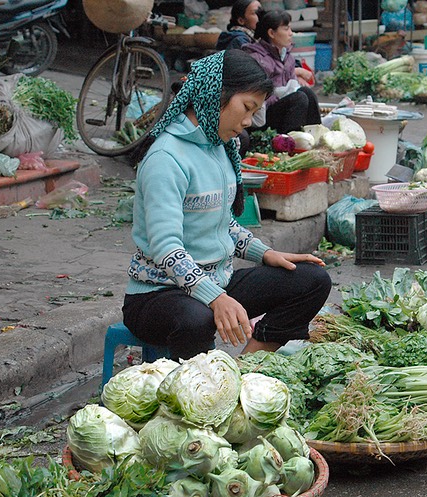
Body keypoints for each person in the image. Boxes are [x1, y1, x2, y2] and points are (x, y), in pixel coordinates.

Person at [123, 49, 332, 362]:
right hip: (158, 294)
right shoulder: (165, 159)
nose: (248, 122)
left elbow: (223, 223)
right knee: (198, 319)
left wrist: (266, 254)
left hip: (215, 282)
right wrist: (215, 298)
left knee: (312, 280)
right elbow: (166, 248)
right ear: (217, 94)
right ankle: (201, 390)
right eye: (247, 108)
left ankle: (246, 368)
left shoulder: (219, 146)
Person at [243, 9, 321, 134]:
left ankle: (315, 135)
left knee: (307, 92)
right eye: (286, 29)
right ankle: (288, 142)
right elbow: (256, 97)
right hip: (261, 118)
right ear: (271, 33)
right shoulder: (258, 58)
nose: (291, 33)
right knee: (299, 98)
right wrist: (282, 95)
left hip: (281, 109)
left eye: (290, 29)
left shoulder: (287, 56)